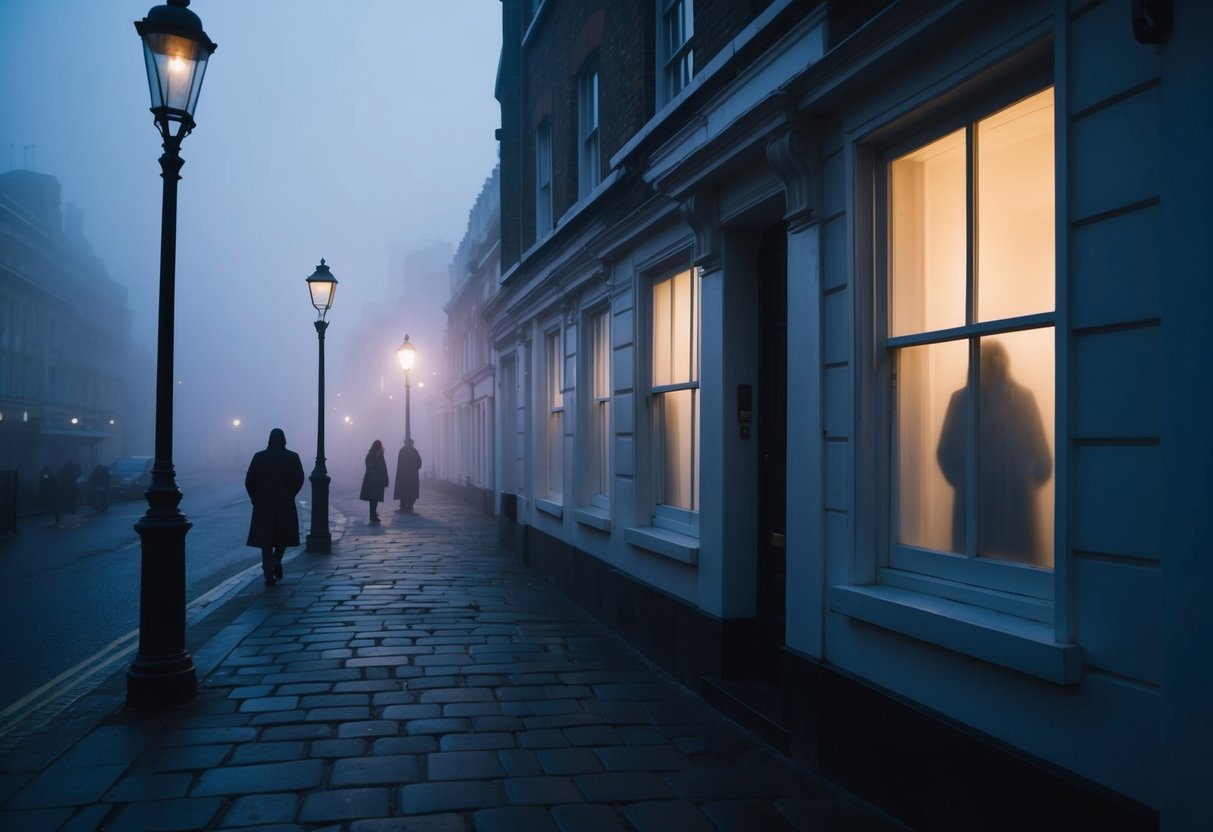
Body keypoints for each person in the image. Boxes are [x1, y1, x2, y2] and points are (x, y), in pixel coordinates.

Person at [936, 341, 1052, 564]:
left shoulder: (962, 400)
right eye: (992, 361)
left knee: (977, 574)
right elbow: (1043, 461)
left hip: (989, 505)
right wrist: (1020, 485)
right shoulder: (1020, 399)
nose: (996, 366)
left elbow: (946, 454)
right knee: (1017, 576)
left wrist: (968, 484)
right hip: (1010, 506)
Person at [245, 428, 306, 587]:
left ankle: (268, 576)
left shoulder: (259, 457)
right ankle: (277, 560)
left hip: (263, 505)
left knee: (266, 541)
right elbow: (299, 479)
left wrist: (255, 498)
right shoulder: (292, 457)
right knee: (283, 536)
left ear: (269, 439)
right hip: (284, 503)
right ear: (284, 440)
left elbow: (249, 481)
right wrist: (290, 494)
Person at [360, 439, 389, 524]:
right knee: (374, 499)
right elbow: (382, 468)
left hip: (372, 480)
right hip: (376, 480)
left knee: (373, 499)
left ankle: (373, 514)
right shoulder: (377, 455)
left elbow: (371, 466)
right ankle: (373, 515)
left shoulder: (372, 455)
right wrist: (383, 476)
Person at [394, 438, 422, 512]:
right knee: (412, 490)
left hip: (403, 475)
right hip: (412, 475)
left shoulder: (402, 451)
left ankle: (404, 504)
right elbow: (419, 463)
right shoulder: (414, 451)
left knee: (404, 490)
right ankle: (409, 504)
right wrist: (414, 468)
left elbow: (400, 464)